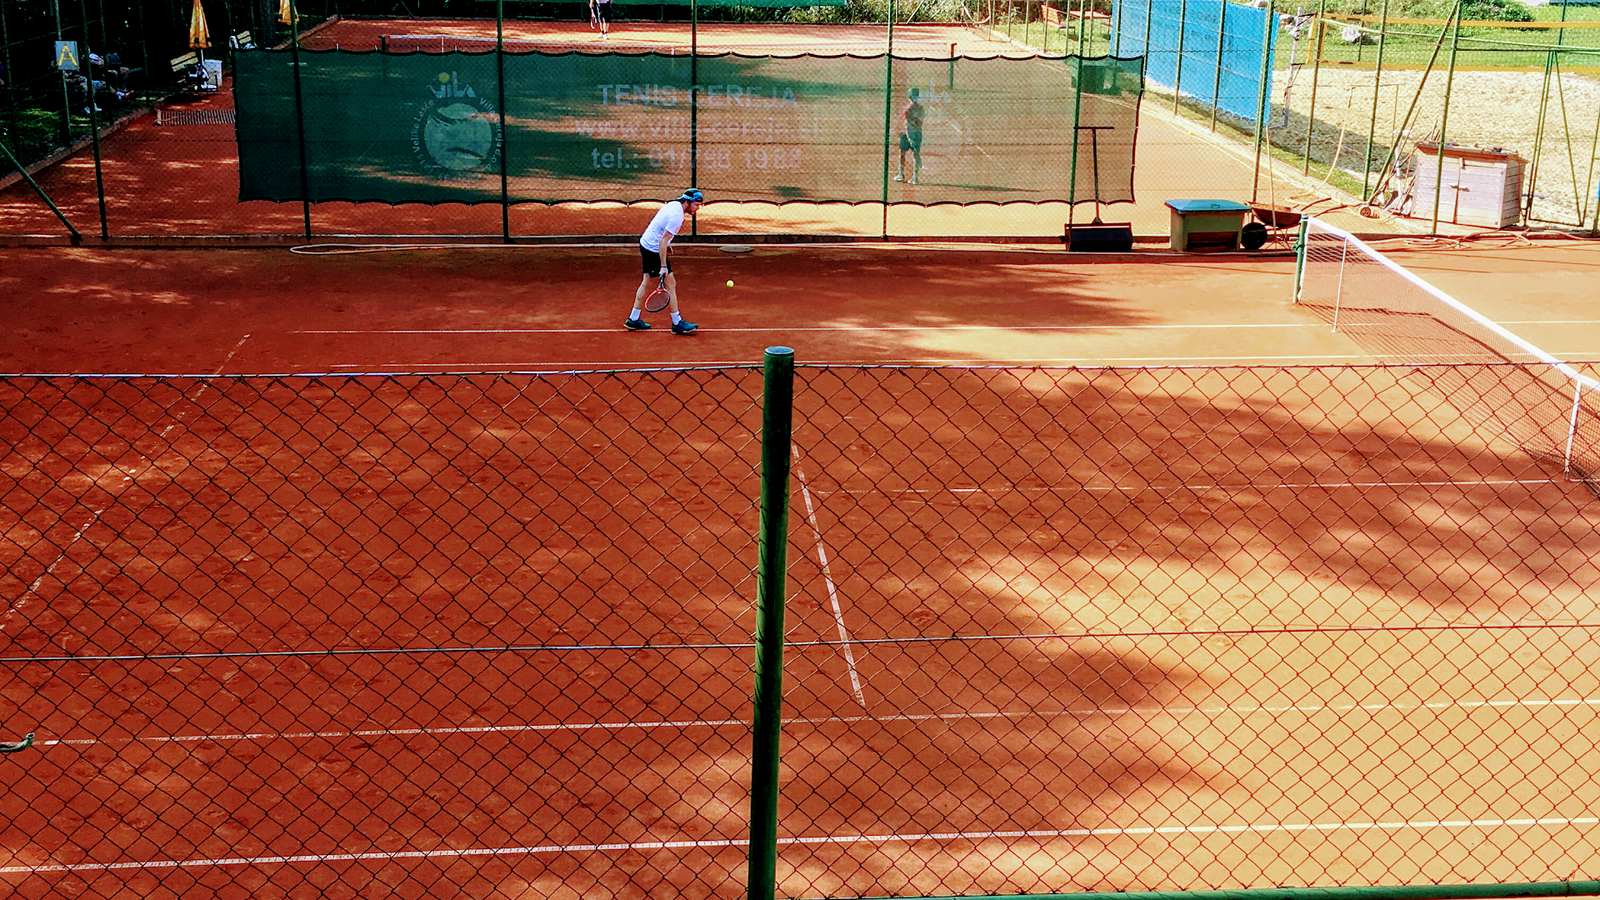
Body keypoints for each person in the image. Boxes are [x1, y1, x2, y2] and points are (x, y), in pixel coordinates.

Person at [626, 189, 703, 335]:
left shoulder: (674, 205)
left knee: (647, 281)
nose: (697, 208)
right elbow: (662, 240)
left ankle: (633, 318)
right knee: (670, 283)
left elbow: (661, 232)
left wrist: (667, 244)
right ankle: (677, 322)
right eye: (696, 204)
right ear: (687, 202)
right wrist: (663, 265)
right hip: (654, 249)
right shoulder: (677, 216)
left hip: (647, 244)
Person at [894, 86, 925, 185]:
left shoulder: (908, 109)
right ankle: (914, 177)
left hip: (908, 132)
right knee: (914, 154)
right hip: (917, 132)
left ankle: (902, 174)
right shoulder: (920, 109)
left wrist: (909, 135)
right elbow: (919, 122)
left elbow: (908, 123)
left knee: (903, 153)